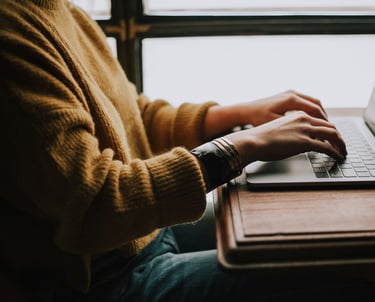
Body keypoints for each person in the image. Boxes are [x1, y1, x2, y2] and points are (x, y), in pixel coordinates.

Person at [1, 1, 372, 301]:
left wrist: (240, 115)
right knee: (345, 268)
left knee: (314, 229)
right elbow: (97, 203)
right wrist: (241, 146)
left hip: (144, 233)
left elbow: (135, 116)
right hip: (104, 279)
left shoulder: (63, 10)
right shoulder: (11, 33)